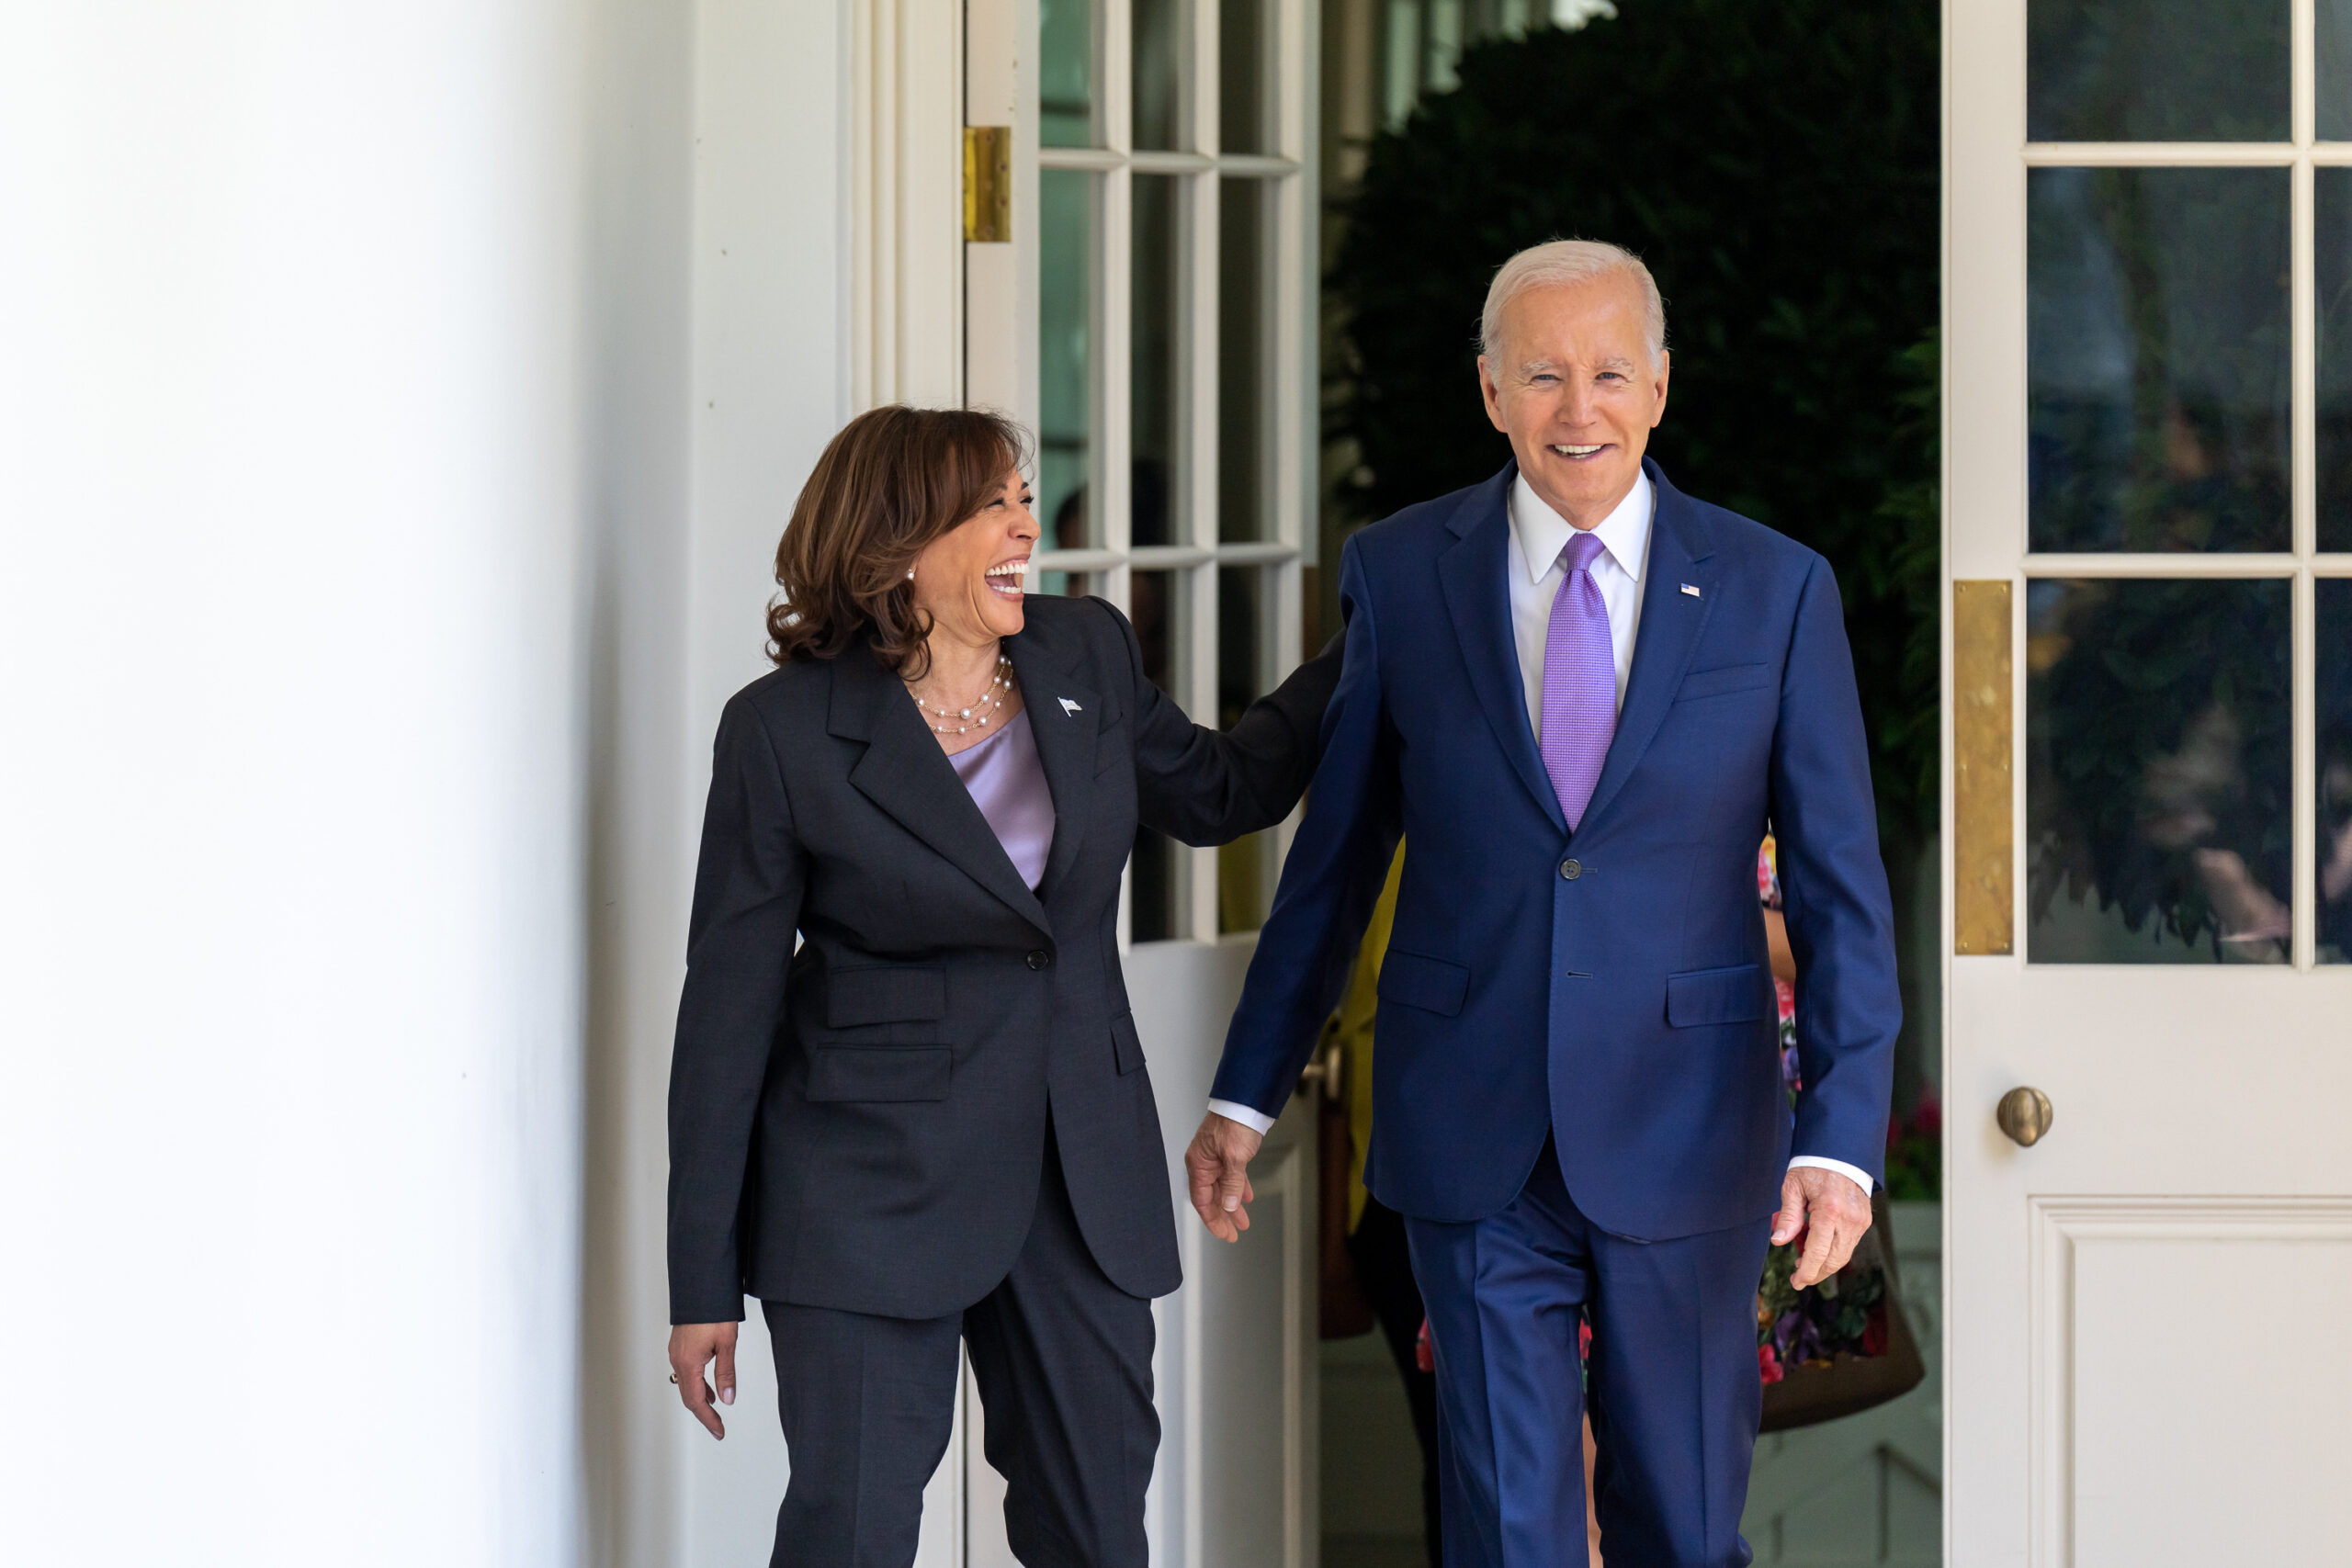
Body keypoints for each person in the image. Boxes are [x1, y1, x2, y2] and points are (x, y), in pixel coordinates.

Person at [1185, 240, 1899, 1566]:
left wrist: (1841, 1137)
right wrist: (1246, 1091)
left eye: (1612, 371)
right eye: (1546, 374)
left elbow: (1840, 889)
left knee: (1680, 1528)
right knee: (1504, 1528)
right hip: (1471, 1129)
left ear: (1663, 387)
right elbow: (1335, 859)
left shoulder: (1774, 588)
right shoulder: (1401, 575)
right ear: (1491, 391)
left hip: (1691, 1129)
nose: (1582, 408)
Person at [665, 405, 1340, 1568]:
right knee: (852, 1538)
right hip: (865, 1192)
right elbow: (724, 1016)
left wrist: (1377, 645)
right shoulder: (780, 735)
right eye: (993, 506)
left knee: (1094, 1538)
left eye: (1024, 498)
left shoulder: (1083, 653)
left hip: (1079, 1184)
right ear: (897, 544)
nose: (1027, 525)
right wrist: (701, 1279)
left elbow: (1223, 792)